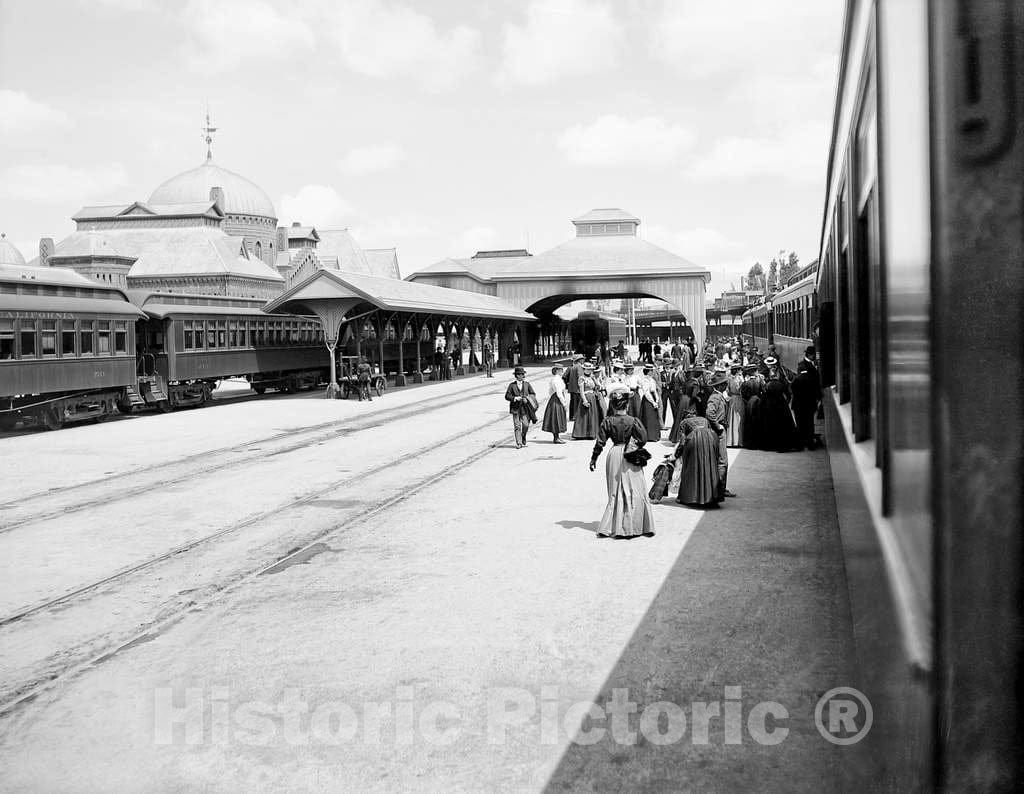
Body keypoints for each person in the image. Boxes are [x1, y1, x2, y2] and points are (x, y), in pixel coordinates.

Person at [589, 391, 655, 538]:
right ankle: (637, 525)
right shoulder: (633, 421)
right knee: (636, 489)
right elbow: (643, 438)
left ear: (612, 405)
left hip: (614, 454)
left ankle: (613, 526)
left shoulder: (608, 421)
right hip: (630, 454)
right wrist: (633, 443)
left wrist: (594, 459)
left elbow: (600, 442)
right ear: (627, 404)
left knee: (615, 491)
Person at [674, 405, 722, 509]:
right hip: (711, 439)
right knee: (710, 467)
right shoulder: (704, 419)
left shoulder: (684, 422)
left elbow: (682, 442)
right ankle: (712, 497)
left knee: (692, 469)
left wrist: (677, 454)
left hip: (694, 441)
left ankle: (692, 497)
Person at [705, 371, 737, 498]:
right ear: (718, 386)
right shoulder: (715, 397)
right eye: (724, 384)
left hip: (717, 429)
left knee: (719, 460)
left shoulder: (718, 395)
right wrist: (718, 426)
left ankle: (719, 488)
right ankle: (720, 489)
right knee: (723, 461)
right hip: (717, 432)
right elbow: (709, 413)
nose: (726, 385)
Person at [759, 357, 799, 452]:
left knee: (771, 422)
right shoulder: (771, 372)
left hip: (770, 403)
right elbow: (787, 390)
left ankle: (771, 443)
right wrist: (786, 401)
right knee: (783, 423)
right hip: (780, 403)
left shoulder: (776, 372)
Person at [791, 359, 821, 450]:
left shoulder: (796, 379)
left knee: (800, 424)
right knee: (809, 424)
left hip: (798, 406)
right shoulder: (812, 378)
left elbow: (792, 390)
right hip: (809, 406)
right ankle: (810, 444)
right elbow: (817, 392)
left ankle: (800, 444)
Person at [504, 366, 536, 448]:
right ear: (517, 375)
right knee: (517, 426)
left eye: (523, 374)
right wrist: (514, 398)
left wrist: (527, 399)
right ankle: (519, 443)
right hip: (515, 408)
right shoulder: (512, 385)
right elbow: (507, 396)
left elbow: (533, 394)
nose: (522, 376)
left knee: (526, 425)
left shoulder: (527, 384)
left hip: (525, 408)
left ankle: (523, 436)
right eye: (520, 374)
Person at [571, 363, 602, 440]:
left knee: (592, 415)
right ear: (584, 369)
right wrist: (584, 400)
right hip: (586, 396)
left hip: (593, 397)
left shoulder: (592, 377)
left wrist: (594, 379)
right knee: (584, 415)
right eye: (587, 369)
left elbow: (598, 386)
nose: (589, 371)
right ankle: (581, 433)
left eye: (590, 369)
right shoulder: (582, 378)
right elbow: (581, 391)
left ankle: (592, 433)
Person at [542, 363, 569, 444]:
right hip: (557, 399)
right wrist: (564, 403)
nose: (562, 371)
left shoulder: (557, 379)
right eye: (561, 370)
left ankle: (557, 437)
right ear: (557, 370)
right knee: (556, 418)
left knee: (557, 418)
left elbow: (550, 391)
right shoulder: (556, 380)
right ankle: (556, 438)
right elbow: (559, 392)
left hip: (555, 398)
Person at [638, 363, 662, 442]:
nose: (652, 372)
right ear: (647, 371)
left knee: (654, 417)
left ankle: (655, 435)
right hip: (648, 401)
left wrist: (657, 399)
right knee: (648, 418)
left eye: (652, 370)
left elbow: (654, 390)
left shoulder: (652, 380)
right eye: (651, 371)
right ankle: (649, 436)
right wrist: (653, 402)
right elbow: (646, 393)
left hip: (653, 397)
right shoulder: (644, 380)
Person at [725, 363, 746, 448]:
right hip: (739, 398)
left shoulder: (729, 378)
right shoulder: (740, 379)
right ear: (738, 370)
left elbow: (727, 390)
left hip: (732, 399)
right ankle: (739, 441)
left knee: (731, 419)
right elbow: (742, 390)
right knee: (739, 419)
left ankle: (731, 441)